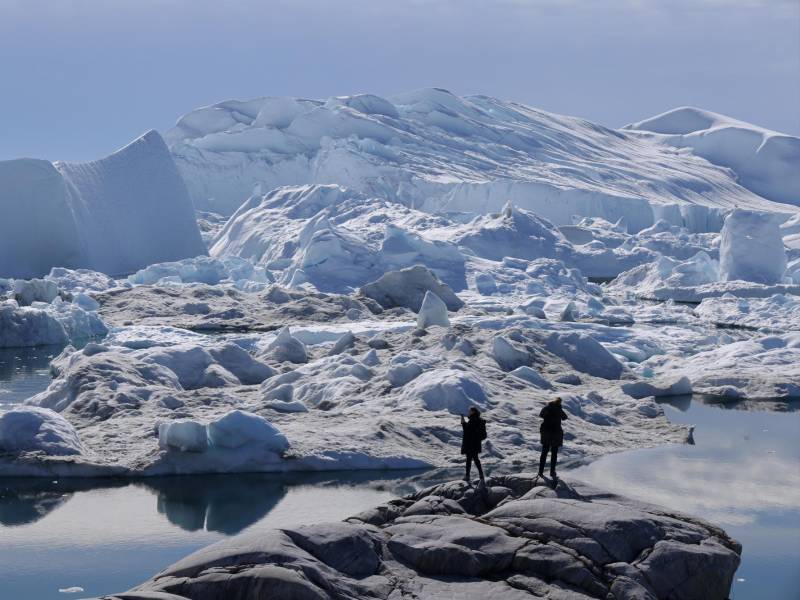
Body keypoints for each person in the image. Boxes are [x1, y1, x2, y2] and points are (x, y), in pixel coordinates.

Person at [538, 396, 568, 480]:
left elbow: (541, 415)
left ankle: (540, 471)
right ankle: (552, 471)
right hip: (556, 432)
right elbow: (565, 417)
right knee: (554, 454)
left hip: (546, 431)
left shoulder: (546, 408)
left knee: (544, 452)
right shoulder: (559, 409)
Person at [460, 406, 487, 484]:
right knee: (475, 459)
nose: (469, 412)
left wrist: (463, 423)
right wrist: (464, 423)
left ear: (473, 412)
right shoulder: (479, 420)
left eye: (470, 411)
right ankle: (481, 475)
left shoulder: (472, 420)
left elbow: (467, 430)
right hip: (476, 443)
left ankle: (467, 476)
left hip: (470, 443)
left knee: (469, 460)